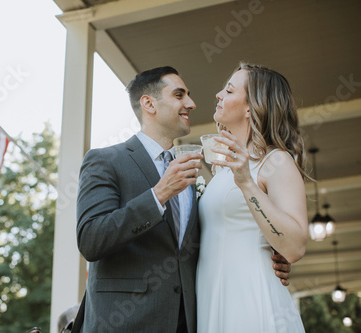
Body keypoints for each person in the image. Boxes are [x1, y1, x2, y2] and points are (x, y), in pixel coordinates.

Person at [76, 66, 291, 333]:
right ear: (149, 103)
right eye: (179, 95)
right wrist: (159, 194)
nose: (191, 103)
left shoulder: (196, 174)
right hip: (124, 322)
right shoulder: (106, 160)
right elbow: (90, 240)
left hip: (188, 322)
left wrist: (269, 252)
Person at [196, 62, 308, 332]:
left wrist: (246, 182)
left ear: (251, 107)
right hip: (212, 297)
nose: (218, 95)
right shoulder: (222, 168)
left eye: (229, 90)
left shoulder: (276, 161)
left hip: (251, 299)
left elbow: (294, 247)